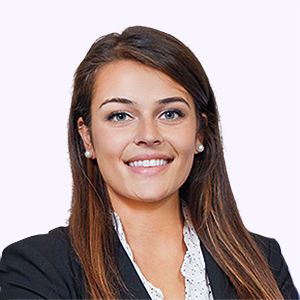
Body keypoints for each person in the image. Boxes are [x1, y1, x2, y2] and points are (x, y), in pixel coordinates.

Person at [0, 26, 298, 300]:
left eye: (170, 113)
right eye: (120, 116)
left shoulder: (263, 261)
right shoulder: (38, 269)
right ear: (87, 138)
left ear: (200, 132)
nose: (148, 135)